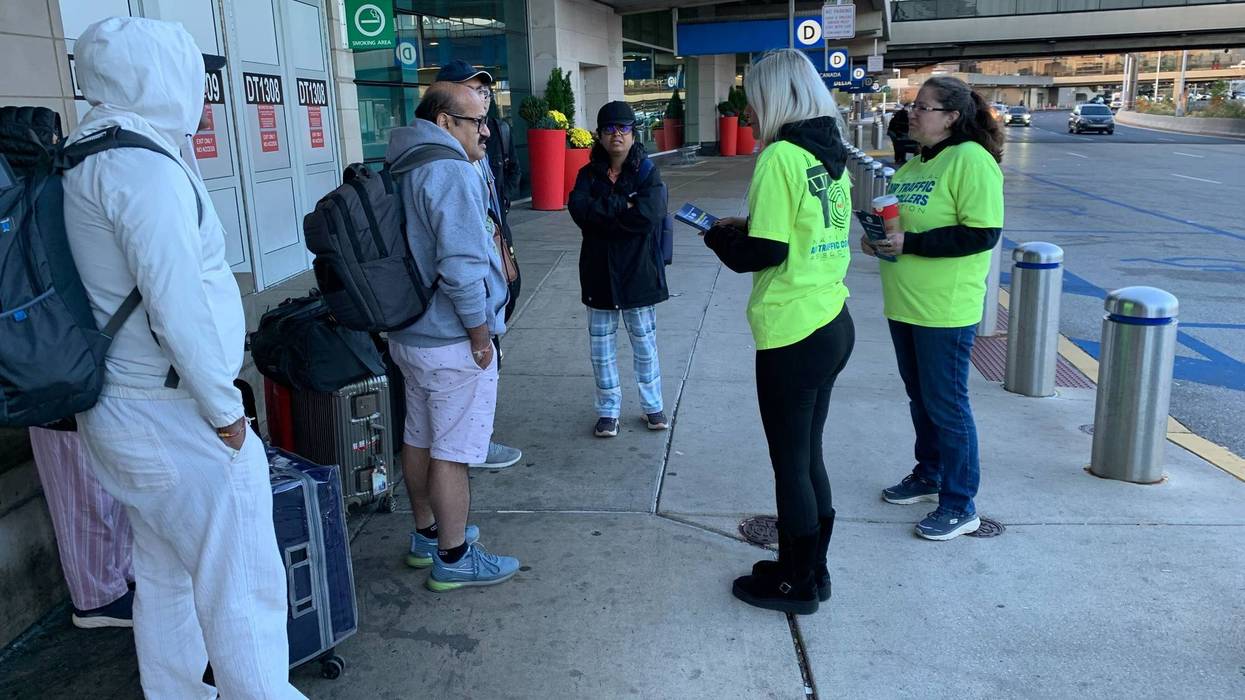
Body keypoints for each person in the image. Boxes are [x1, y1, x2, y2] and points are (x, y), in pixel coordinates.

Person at [61, 17, 301, 698]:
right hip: (173, 410)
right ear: (161, 73)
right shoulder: (141, 167)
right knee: (243, 586)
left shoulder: (86, 152)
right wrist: (226, 412)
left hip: (122, 407)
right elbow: (176, 306)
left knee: (165, 575)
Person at [702, 49, 855, 615]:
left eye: (752, 94)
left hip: (793, 329)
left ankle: (795, 583)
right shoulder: (828, 155)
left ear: (773, 97)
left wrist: (719, 238)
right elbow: (798, 230)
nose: (747, 104)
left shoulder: (778, 156)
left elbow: (762, 253)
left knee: (790, 461)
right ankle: (812, 569)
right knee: (808, 454)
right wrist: (746, 227)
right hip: (832, 319)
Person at [388, 82, 520, 591]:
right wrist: (480, 336)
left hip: (409, 334)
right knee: (455, 451)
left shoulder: (400, 161)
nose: (486, 132)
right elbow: (462, 268)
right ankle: (454, 555)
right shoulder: (449, 171)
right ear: (445, 122)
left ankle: (427, 536)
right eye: (476, 122)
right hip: (449, 339)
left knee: (418, 437)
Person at [865, 75, 1004, 541]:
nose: (912, 113)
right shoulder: (913, 166)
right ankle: (930, 473)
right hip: (905, 304)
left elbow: (982, 233)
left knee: (947, 406)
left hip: (944, 309)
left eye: (923, 107)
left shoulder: (971, 161)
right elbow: (901, 228)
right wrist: (881, 241)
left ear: (951, 117)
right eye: (913, 105)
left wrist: (912, 241)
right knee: (920, 397)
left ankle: (961, 503)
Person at [435, 59, 523, 470]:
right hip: (466, 289)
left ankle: (477, 434)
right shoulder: (445, 160)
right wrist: (479, 331)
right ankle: (474, 444)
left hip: (495, 251)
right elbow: (456, 260)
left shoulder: (488, 134)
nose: (482, 100)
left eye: (485, 91)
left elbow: (501, 184)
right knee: (480, 354)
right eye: (472, 90)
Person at [568, 101, 670, 438]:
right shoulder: (587, 175)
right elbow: (579, 210)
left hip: (638, 272)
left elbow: (649, 214)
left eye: (623, 128)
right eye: (610, 128)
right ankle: (608, 411)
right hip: (599, 273)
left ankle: (652, 407)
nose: (616, 134)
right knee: (601, 350)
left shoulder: (646, 172)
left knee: (644, 345)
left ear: (632, 132)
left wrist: (606, 215)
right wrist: (623, 206)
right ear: (598, 134)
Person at [29, 424, 136, 629]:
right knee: (81, 494)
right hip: (60, 407)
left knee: (109, 490)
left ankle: (122, 576)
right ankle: (97, 599)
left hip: (89, 407)